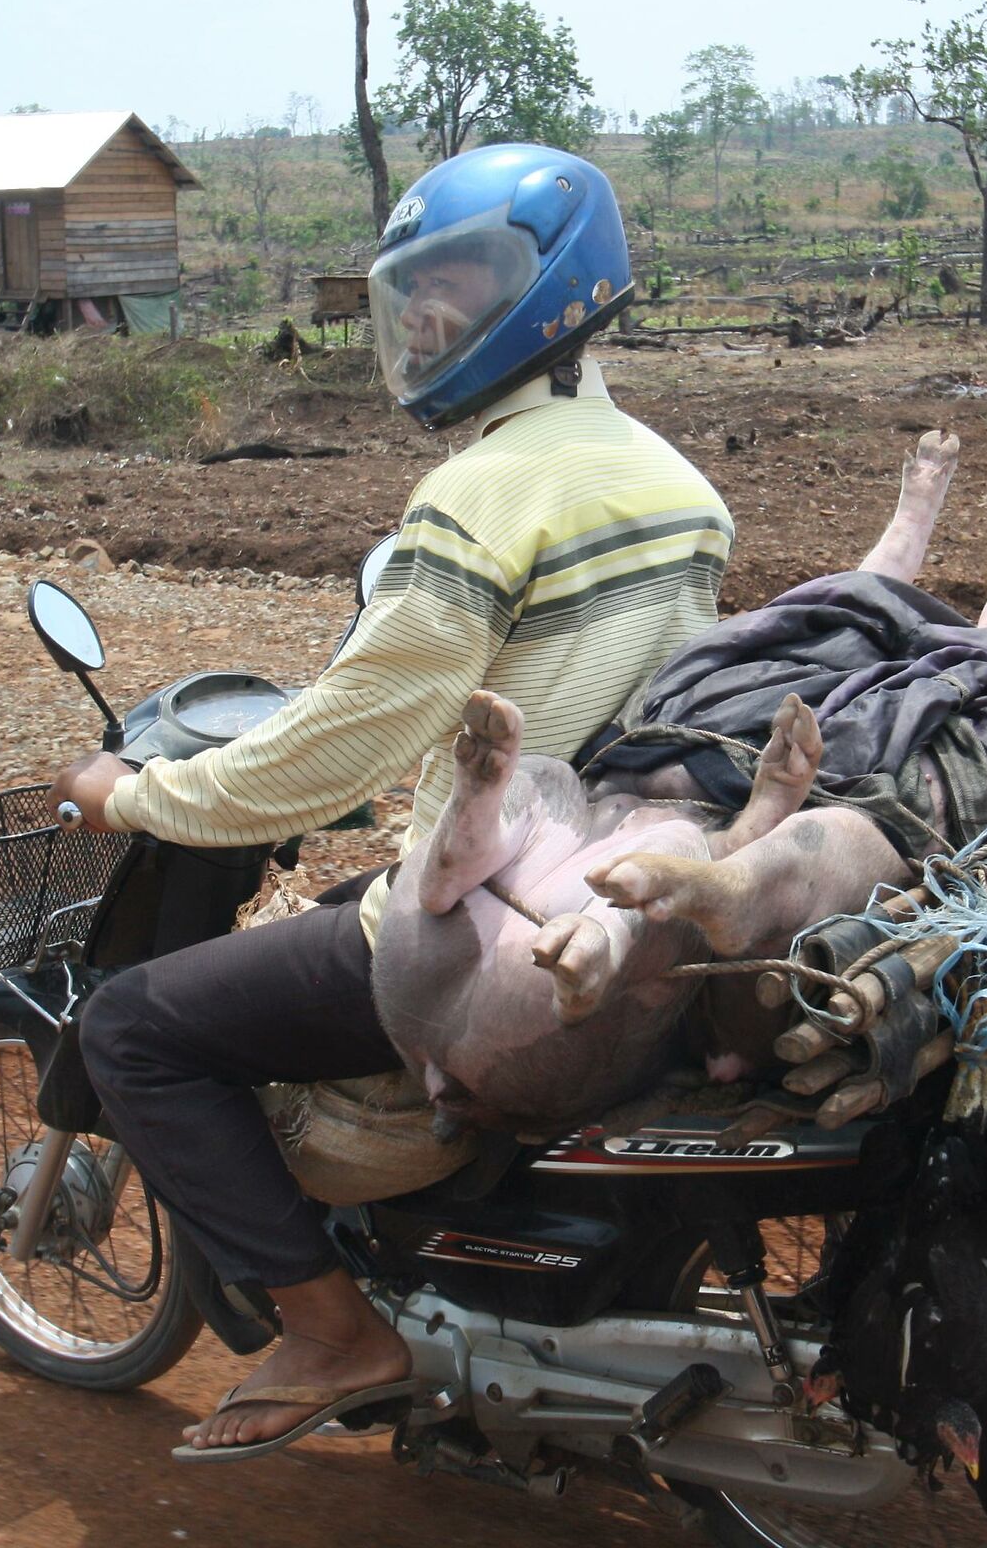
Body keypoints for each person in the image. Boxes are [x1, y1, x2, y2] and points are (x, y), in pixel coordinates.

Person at [46, 144, 734, 1458]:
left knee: (134, 1027)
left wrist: (139, 795)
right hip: (616, 868)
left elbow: (343, 747)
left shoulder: (479, 493)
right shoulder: (677, 483)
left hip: (479, 914)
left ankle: (331, 1332)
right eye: (415, 286)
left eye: (460, 279)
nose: (424, 313)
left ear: (547, 290)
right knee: (336, 905)